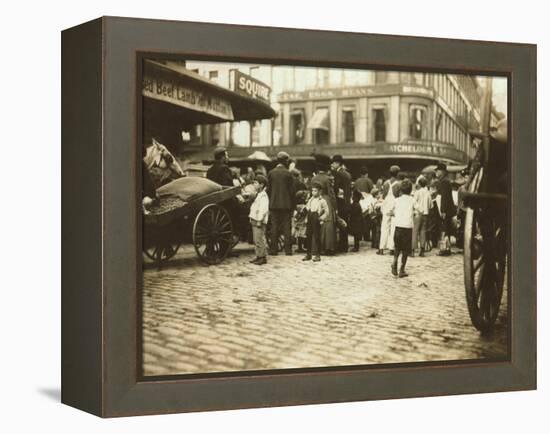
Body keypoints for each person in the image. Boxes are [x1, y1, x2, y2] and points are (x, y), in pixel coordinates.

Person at [267, 151, 295, 255]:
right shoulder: (288, 174)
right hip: (286, 205)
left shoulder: (271, 173)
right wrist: (293, 206)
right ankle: (288, 250)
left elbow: (268, 190)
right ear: (285, 161)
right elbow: (292, 192)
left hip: (273, 205)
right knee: (287, 227)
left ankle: (273, 250)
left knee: (274, 227)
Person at [311, 153, 337, 255]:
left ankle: (317, 247)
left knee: (316, 224)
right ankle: (328, 248)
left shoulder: (313, 178)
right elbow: (331, 194)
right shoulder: (327, 179)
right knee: (328, 225)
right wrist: (335, 206)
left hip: (315, 201)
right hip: (326, 201)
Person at [391, 179, 414, 278]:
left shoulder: (397, 200)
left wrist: (394, 214)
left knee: (397, 247)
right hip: (408, 227)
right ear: (410, 190)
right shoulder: (412, 200)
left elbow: (391, 210)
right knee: (405, 250)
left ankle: (394, 261)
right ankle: (402, 269)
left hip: (398, 227)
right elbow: (420, 209)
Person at [302, 181, 329, 262]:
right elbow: (307, 208)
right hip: (310, 217)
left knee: (316, 237)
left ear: (320, 191)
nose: (313, 192)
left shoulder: (322, 201)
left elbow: (327, 212)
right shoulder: (311, 199)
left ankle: (317, 254)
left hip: (316, 218)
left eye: (315, 191)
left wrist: (321, 218)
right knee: (308, 236)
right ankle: (308, 254)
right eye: (312, 191)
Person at [378, 165, 401, 255]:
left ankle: (381, 248)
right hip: (395, 204)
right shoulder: (399, 184)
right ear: (397, 173)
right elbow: (399, 196)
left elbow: (383, 195)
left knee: (384, 226)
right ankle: (392, 248)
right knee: (393, 227)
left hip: (386, 204)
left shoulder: (385, 183)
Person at [331, 154, 352, 253]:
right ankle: (345, 245)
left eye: (334, 162)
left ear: (338, 163)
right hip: (346, 202)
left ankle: (342, 246)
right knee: (344, 224)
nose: (332, 164)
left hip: (340, 202)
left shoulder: (338, 174)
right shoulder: (347, 173)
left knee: (341, 224)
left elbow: (337, 189)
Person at [248, 174, 269, 265]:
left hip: (258, 221)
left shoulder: (263, 196)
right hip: (254, 219)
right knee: (256, 239)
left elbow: (263, 210)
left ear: (262, 185)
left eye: (256, 183)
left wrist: (260, 220)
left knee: (260, 239)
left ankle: (262, 257)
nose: (254, 185)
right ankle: (258, 255)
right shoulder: (258, 195)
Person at [435, 162, 456, 256]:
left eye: (438, 170)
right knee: (446, 229)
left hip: (445, 209)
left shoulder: (444, 181)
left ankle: (445, 249)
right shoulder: (445, 181)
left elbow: (444, 197)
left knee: (444, 229)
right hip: (447, 209)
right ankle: (446, 248)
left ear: (442, 171)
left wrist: (443, 210)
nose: (436, 172)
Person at [412, 176, 432, 257]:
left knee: (415, 231)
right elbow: (431, 205)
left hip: (418, 213)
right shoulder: (428, 193)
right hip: (426, 214)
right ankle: (422, 250)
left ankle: (413, 250)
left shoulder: (417, 192)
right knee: (423, 231)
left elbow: (413, 203)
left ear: (419, 184)